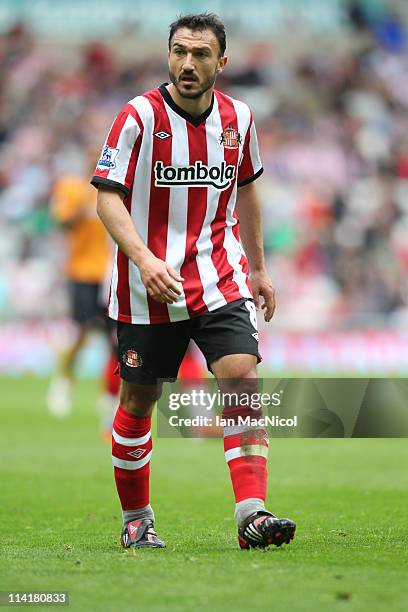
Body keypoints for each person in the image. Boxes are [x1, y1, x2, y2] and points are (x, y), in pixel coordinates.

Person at [91, 13, 296, 550]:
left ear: (221, 63)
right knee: (138, 402)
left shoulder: (240, 119)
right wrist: (142, 258)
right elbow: (106, 196)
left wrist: (257, 266)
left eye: (201, 54)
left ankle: (252, 514)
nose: (187, 63)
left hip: (218, 275)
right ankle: (137, 518)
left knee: (240, 379)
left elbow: (248, 189)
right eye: (179, 51)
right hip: (147, 286)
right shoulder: (136, 117)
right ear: (168, 55)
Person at [47, 154, 120, 426]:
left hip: (110, 273)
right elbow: (62, 222)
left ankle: (109, 398)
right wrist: (85, 203)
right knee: (83, 331)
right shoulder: (73, 189)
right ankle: (64, 379)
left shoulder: (117, 190)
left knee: (115, 338)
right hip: (82, 272)